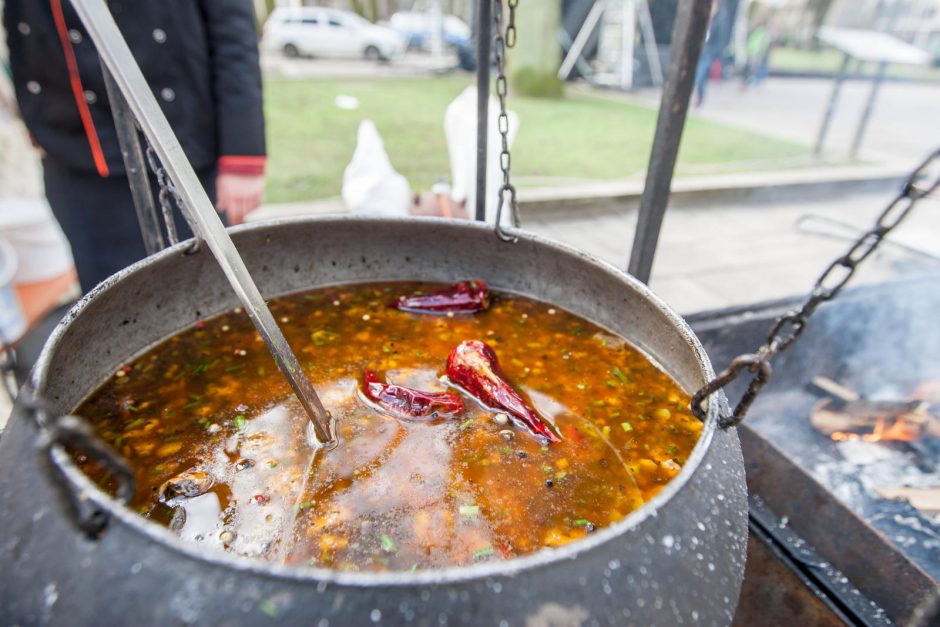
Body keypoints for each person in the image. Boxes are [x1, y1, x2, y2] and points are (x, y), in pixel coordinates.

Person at [3, 0, 266, 291]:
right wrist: (37, 118)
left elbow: (233, 33)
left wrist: (242, 154)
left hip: (179, 144)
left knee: (202, 287)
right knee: (105, 294)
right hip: (72, 150)